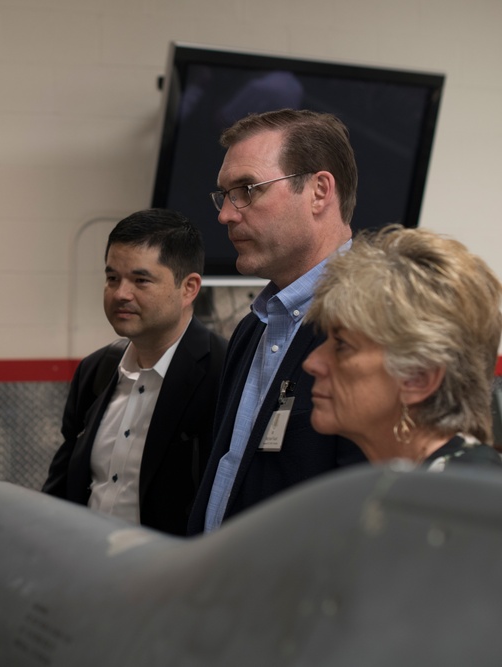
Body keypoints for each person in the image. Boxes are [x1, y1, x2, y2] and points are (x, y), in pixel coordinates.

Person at [188, 109, 368, 535]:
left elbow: (363, 513)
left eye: (247, 189)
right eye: (224, 195)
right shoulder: (253, 328)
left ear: (320, 191)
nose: (226, 215)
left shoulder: (373, 322)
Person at [42, 209, 227, 535]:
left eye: (141, 280)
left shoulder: (224, 373)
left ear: (189, 288)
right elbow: (62, 488)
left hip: (172, 576)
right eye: (112, 278)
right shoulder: (95, 371)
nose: (120, 293)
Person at [303, 225, 502, 468]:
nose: (312, 362)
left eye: (342, 345)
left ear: (418, 378)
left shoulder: (463, 498)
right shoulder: (411, 484)